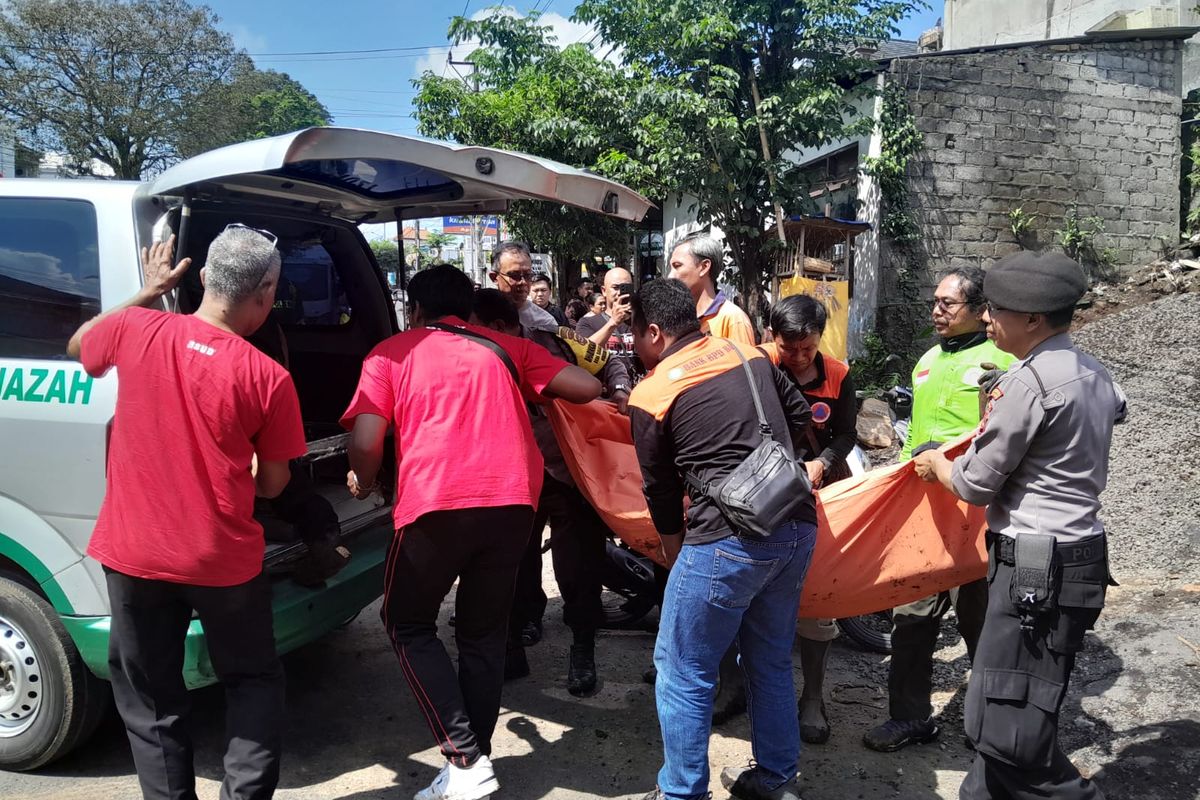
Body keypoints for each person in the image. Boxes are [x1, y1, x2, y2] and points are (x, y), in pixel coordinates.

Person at [341, 264, 600, 800]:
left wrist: (362, 481)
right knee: (483, 635)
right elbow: (586, 385)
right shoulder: (504, 346)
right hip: (512, 505)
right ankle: (469, 768)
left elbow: (367, 440)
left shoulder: (392, 353)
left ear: (414, 308)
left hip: (435, 503)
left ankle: (463, 756)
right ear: (466, 307)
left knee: (405, 622)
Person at [66, 226, 305, 800]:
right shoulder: (268, 377)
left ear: (201, 278)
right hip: (222, 561)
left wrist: (149, 291)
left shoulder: (135, 327)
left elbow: (79, 346)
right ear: (266, 290)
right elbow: (274, 483)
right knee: (250, 681)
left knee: (151, 698)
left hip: (132, 554)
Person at [912, 251, 1124, 800]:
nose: (987, 319)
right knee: (1014, 705)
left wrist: (938, 463)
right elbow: (1116, 409)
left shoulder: (1025, 385)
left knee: (1006, 726)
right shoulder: (1090, 370)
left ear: (1032, 320)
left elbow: (975, 485)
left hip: (1035, 566)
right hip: (1079, 556)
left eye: (997, 310)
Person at [629, 278, 815, 800]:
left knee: (683, 669)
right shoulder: (745, 351)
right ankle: (776, 779)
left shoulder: (652, 392)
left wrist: (671, 546)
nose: (634, 347)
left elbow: (659, 487)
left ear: (656, 332)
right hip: (796, 523)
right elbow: (799, 416)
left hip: (726, 539)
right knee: (771, 660)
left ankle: (682, 792)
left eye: (635, 335)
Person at [863, 267, 1017, 753]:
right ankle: (910, 718)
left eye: (948, 304)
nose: (936, 311)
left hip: (975, 512)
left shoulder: (1004, 358)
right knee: (911, 615)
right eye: (935, 302)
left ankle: (991, 719)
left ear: (979, 309)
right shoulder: (927, 359)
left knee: (981, 618)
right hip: (923, 511)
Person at [490, 241, 633, 696]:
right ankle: (515, 641)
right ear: (494, 279)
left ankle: (582, 648)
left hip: (564, 467)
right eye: (512, 275)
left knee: (578, 565)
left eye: (526, 275)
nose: (521, 283)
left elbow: (606, 362)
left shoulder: (549, 332)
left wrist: (621, 391)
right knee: (509, 563)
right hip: (508, 474)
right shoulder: (475, 336)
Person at [758, 294, 858, 746]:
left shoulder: (837, 374)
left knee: (819, 595)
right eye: (789, 347)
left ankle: (813, 699)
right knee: (754, 593)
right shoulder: (757, 366)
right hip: (762, 494)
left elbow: (846, 432)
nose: (798, 357)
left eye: (808, 347)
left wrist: (824, 462)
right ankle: (739, 686)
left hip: (823, 493)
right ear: (771, 337)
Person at [668, 232, 756, 345]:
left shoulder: (733, 319)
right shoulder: (677, 317)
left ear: (704, 267)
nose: (670, 276)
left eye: (677, 266)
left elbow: (746, 362)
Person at [575, 266, 638, 376]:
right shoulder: (587, 322)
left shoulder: (642, 320)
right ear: (604, 291)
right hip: (604, 387)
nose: (620, 292)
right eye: (615, 287)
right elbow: (583, 353)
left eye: (625, 287)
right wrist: (613, 323)